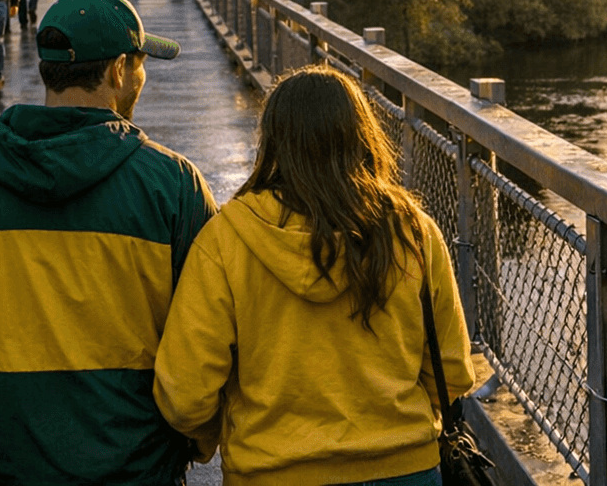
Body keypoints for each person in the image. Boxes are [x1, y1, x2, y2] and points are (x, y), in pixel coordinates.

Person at [0, 0, 217, 486]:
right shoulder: (173, 186)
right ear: (119, 71)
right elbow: (211, 333)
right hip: (135, 467)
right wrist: (189, 438)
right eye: (141, 64)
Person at [155, 66, 475, 485]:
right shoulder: (412, 231)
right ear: (361, 136)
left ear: (272, 141)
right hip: (404, 469)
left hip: (272, 472)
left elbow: (184, 394)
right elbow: (451, 373)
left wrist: (216, 437)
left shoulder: (226, 239)